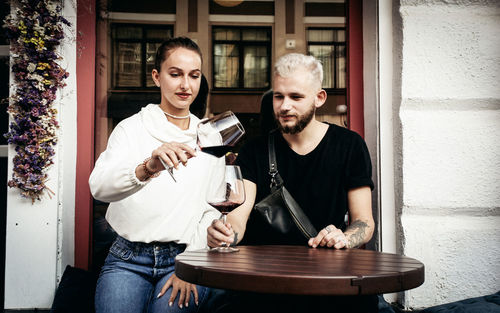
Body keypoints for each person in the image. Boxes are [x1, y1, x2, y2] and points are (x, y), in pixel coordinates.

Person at [207, 53, 377, 312]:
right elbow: (238, 218)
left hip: (325, 277)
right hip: (262, 282)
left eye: (296, 97)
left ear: (319, 98)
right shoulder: (255, 150)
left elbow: (364, 222)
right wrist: (226, 234)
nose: (285, 106)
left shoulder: (349, 145)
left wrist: (344, 238)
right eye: (278, 96)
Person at [89, 37, 222, 313]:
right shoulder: (131, 128)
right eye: (175, 74)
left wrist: (191, 265)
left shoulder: (210, 136)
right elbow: (99, 188)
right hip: (127, 258)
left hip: (184, 258)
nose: (185, 85)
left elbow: (213, 208)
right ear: (156, 77)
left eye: (194, 76)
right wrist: (147, 167)